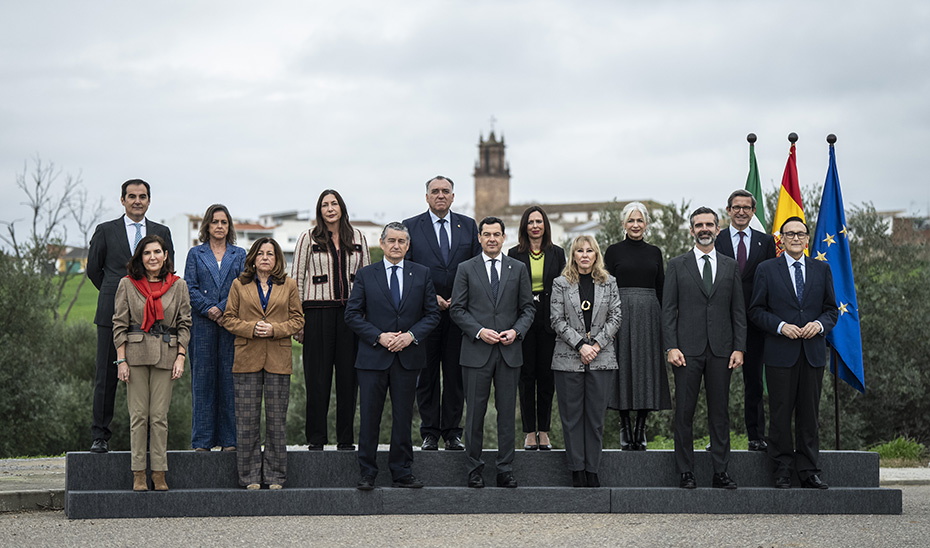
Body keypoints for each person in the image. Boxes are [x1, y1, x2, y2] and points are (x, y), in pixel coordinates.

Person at [344, 222, 441, 490]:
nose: (396, 245)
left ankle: (401, 471)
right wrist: (378, 336)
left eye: (401, 241)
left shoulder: (422, 274)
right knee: (369, 418)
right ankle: (367, 472)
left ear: (408, 246)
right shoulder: (365, 274)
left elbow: (432, 314)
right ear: (382, 243)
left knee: (402, 417)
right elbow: (352, 314)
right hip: (373, 357)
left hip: (407, 357)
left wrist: (410, 336)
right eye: (392, 241)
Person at [749, 217, 838, 489]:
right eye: (790, 234)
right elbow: (755, 311)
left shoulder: (822, 269)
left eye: (800, 233)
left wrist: (819, 324)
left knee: (809, 416)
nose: (796, 238)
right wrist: (780, 326)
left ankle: (809, 470)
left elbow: (832, 310)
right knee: (780, 415)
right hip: (780, 353)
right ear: (782, 240)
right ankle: (783, 470)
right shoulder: (766, 269)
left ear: (807, 239)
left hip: (812, 353)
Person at [87, 179, 174, 453]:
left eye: (143, 196)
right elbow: (93, 270)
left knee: (147, 378)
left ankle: (148, 441)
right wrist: (122, 296)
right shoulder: (105, 231)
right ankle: (100, 436)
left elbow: (167, 271)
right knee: (106, 375)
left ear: (149, 200)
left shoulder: (162, 231)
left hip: (151, 317)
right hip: (111, 312)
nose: (137, 200)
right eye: (132, 196)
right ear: (122, 200)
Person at [662, 206, 745, 490]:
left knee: (720, 413)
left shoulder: (730, 266)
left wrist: (739, 348)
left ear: (718, 229)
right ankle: (685, 471)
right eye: (699, 225)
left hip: (723, 351)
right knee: (684, 413)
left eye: (709, 224)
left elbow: (738, 311)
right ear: (692, 230)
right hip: (686, 351)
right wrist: (670, 346)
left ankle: (721, 471)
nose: (705, 229)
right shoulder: (676, 265)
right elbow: (668, 310)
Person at [450, 216, 535, 489]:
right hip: (476, 350)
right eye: (486, 234)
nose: (491, 239)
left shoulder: (518, 268)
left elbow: (528, 309)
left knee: (507, 413)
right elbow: (457, 309)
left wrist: (516, 331)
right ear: (479, 238)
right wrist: (478, 331)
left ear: (503, 237)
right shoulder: (465, 268)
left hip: (510, 351)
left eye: (496, 234)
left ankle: (505, 470)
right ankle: (474, 470)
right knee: (474, 413)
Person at [403, 176, 481, 451]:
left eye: (445, 191)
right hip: (425, 314)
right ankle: (430, 433)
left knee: (454, 375)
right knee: (427, 375)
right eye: (434, 191)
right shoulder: (411, 227)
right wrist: (429, 297)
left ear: (452, 196)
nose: (440, 195)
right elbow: (407, 269)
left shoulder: (468, 226)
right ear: (426, 197)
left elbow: (475, 266)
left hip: (459, 314)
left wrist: (459, 298)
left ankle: (452, 432)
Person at [292, 189, 370, 450]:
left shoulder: (358, 237)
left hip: (351, 317)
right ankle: (316, 439)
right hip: (317, 314)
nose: (330, 208)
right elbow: (297, 280)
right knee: (317, 379)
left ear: (341, 207)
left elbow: (367, 278)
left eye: (334, 203)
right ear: (319, 210)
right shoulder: (307, 238)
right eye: (324, 205)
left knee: (349, 380)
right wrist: (298, 319)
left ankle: (346, 440)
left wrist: (366, 319)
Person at [223, 238, 304, 489]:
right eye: (261, 253)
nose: (265, 257)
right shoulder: (239, 285)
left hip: (278, 359)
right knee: (247, 421)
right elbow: (228, 318)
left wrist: (274, 330)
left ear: (278, 259)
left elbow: (298, 320)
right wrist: (251, 328)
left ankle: (275, 476)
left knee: (277, 422)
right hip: (247, 358)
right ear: (253, 259)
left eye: (270, 254)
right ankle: (248, 477)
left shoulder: (289, 285)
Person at [112, 235, 190, 491]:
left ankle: (158, 472)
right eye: (147, 253)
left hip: (166, 356)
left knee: (158, 417)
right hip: (134, 355)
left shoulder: (178, 286)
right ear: (140, 257)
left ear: (166, 255)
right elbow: (119, 324)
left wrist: (181, 356)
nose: (153, 257)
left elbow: (184, 324)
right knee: (138, 417)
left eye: (157, 252)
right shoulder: (127, 284)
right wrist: (121, 359)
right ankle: (138, 473)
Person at [550, 235, 622, 488]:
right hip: (568, 359)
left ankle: (592, 469)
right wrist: (581, 345)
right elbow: (556, 320)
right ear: (573, 255)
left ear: (596, 255)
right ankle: (576, 470)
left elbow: (616, 316)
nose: (584, 255)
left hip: (601, 359)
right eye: (579, 251)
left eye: (589, 251)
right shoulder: (561, 283)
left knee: (595, 418)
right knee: (571, 419)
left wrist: (596, 345)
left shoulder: (609, 282)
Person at [603, 202, 671, 451]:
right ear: (623, 224)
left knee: (646, 368)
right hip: (619, 314)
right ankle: (624, 425)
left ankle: (641, 426)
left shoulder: (655, 251)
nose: (635, 225)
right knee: (621, 367)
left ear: (646, 224)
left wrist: (666, 323)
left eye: (639, 220)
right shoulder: (612, 251)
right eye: (630, 220)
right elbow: (606, 286)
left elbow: (662, 287)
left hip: (649, 315)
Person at [716, 189, 777, 452]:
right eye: (736, 207)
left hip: (754, 323)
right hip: (721, 322)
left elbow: (771, 282)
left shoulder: (766, 242)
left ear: (753, 211)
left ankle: (756, 436)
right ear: (728, 210)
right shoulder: (716, 241)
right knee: (718, 385)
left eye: (746, 208)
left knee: (754, 382)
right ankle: (717, 437)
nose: (741, 211)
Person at [185, 204, 246, 452]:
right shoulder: (195, 254)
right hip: (201, 325)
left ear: (229, 226)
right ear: (207, 226)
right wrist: (209, 309)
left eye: (223, 222)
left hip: (230, 324)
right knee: (202, 383)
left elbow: (242, 285)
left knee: (229, 382)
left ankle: (229, 440)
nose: (219, 226)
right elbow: (189, 287)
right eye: (215, 222)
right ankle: (202, 441)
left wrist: (222, 308)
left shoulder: (239, 254)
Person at [507, 206, 565, 451]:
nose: (535, 226)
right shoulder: (513, 253)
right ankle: (530, 432)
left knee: (546, 377)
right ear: (524, 226)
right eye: (530, 222)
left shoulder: (558, 253)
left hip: (550, 319)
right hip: (523, 318)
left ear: (545, 226)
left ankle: (544, 431)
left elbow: (563, 286)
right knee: (526, 376)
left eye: (539, 222)